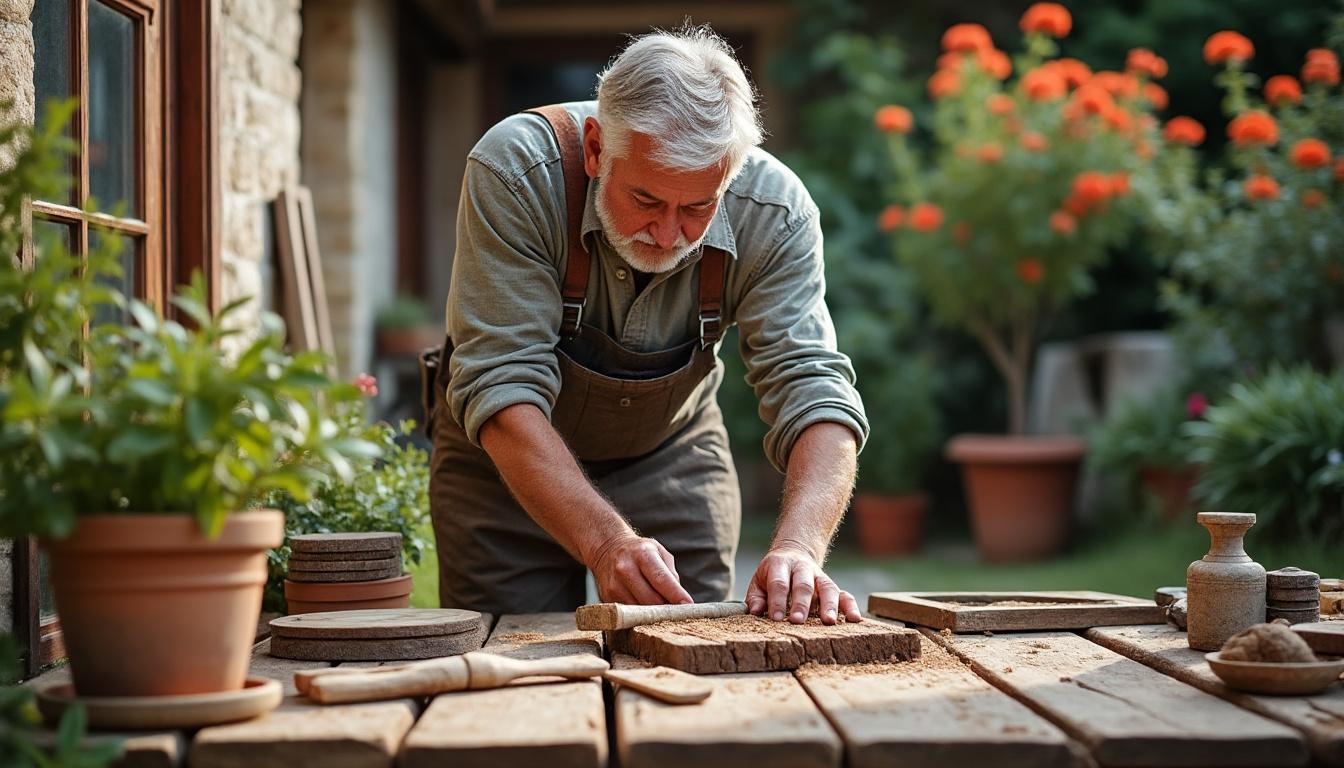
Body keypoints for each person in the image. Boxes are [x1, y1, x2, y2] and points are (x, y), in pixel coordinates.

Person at [424, 25, 869, 625]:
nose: (668, 235)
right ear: (596, 149)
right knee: (517, 667)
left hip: (672, 456)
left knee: (698, 656)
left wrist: (799, 548)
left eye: (696, 209)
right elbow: (500, 382)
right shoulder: (516, 172)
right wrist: (606, 542)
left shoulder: (777, 214)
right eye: (647, 200)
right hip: (506, 467)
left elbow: (814, 389)